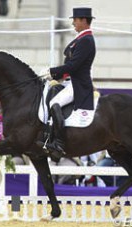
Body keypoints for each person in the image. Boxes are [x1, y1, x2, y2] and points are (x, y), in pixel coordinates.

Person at [42, 7, 96, 160]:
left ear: (84, 21)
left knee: (54, 102)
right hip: (69, 81)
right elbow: (70, 67)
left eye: (75, 20)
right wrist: (56, 76)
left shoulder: (86, 40)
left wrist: (52, 71)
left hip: (78, 84)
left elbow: (74, 66)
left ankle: (58, 144)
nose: (73, 23)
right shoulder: (80, 39)